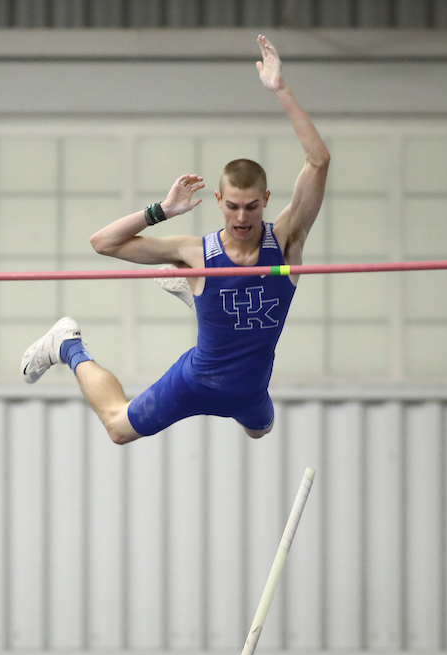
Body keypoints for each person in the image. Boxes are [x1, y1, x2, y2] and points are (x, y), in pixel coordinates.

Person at [20, 34, 329, 445]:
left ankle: (194, 295)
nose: (241, 217)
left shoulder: (287, 241)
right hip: (197, 380)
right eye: (233, 205)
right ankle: (68, 345)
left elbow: (319, 161)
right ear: (218, 200)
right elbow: (102, 243)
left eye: (252, 207)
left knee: (261, 430)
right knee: (117, 428)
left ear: (266, 201)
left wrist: (280, 89)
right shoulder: (196, 251)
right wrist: (161, 211)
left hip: (250, 390)